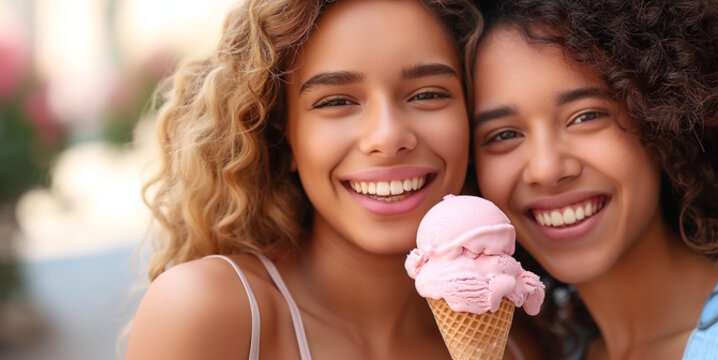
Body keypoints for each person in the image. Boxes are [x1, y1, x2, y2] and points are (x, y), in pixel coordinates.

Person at [122, 1, 525, 359]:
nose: (387, 138)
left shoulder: (521, 334)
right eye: (336, 101)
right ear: (283, 137)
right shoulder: (206, 312)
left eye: (427, 94)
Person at [469, 1, 718, 359]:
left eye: (586, 116)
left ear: (663, 115)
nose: (546, 169)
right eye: (504, 135)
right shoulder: (545, 350)